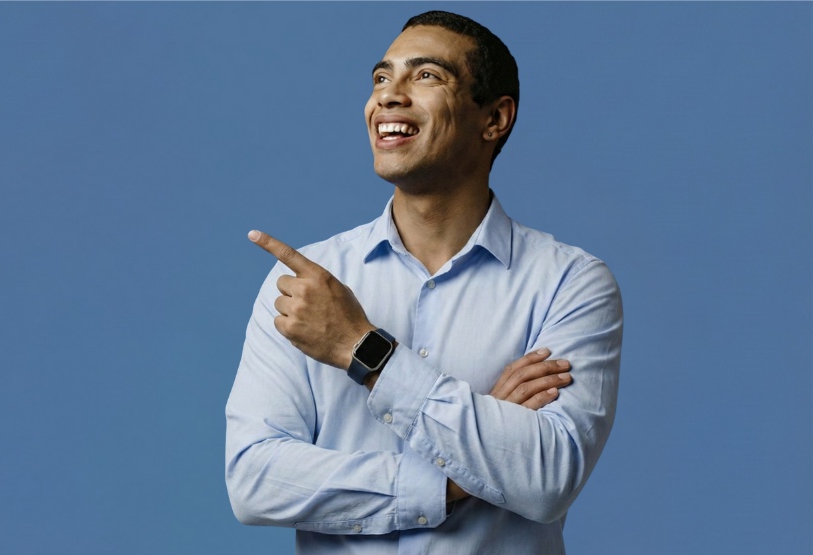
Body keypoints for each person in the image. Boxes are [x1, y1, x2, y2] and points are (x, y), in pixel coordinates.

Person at [225, 10, 622, 554]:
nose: (388, 96)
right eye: (382, 78)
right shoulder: (306, 283)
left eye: (427, 76)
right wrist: (457, 475)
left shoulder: (570, 283)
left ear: (495, 118)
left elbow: (548, 478)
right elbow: (254, 480)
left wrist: (361, 349)